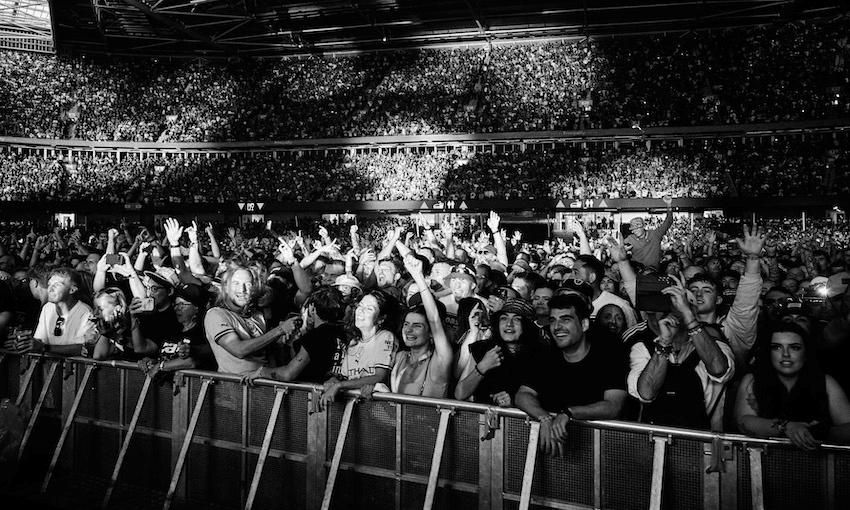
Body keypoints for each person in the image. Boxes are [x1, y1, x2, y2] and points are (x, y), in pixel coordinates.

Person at [515, 292, 627, 456]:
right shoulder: (545, 357)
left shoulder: (608, 358)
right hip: (553, 455)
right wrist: (544, 418)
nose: (557, 326)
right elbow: (522, 395)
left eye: (565, 319)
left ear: (584, 325)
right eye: (553, 320)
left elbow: (613, 405)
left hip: (599, 454)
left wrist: (568, 413)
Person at [627, 275, 735, 430]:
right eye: (673, 305)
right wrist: (665, 341)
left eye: (685, 305)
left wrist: (689, 318)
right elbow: (646, 393)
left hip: (703, 443)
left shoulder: (715, 344)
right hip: (655, 441)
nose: (678, 310)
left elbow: (718, 369)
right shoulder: (643, 347)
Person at [735, 323, 850, 450]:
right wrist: (786, 427)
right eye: (776, 347)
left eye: (794, 347)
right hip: (765, 462)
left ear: (806, 351)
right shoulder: (752, 380)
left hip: (819, 464)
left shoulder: (825, 382)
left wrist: (818, 432)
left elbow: (847, 426)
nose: (785, 354)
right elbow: (743, 420)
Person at [205, 263, 299, 375]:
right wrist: (280, 330)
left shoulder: (258, 316)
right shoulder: (216, 314)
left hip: (262, 384)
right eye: (236, 283)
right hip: (235, 387)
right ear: (226, 287)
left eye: (248, 284)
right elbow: (239, 350)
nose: (242, 289)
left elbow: (268, 355)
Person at [242, 286, 347, 384]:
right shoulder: (343, 335)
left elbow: (288, 374)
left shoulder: (315, 336)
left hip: (311, 397)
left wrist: (261, 372)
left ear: (313, 308)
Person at [318, 290, 399, 408]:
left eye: (369, 309)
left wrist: (339, 385)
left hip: (381, 408)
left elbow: (379, 376)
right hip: (357, 408)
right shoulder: (353, 342)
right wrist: (334, 379)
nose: (361, 311)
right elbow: (345, 376)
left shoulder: (385, 336)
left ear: (381, 318)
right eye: (360, 306)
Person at [455, 299, 541, 407]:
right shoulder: (483, 348)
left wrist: (515, 402)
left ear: (527, 325)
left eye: (517, 319)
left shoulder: (540, 355)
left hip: (521, 422)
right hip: (482, 420)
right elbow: (460, 394)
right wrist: (483, 366)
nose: (509, 324)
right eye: (504, 318)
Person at [390, 254, 453, 397]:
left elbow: (434, 319)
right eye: (407, 324)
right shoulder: (400, 357)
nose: (409, 330)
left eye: (418, 326)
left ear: (431, 333)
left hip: (429, 419)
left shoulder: (440, 360)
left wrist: (418, 277)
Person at [17, 267, 95, 356]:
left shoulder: (85, 312)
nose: (50, 289)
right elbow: (40, 340)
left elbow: (83, 348)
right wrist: (26, 343)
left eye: (57, 285)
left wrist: (45, 347)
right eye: (49, 284)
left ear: (72, 290)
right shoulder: (48, 308)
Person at [623, 195, 674, 270]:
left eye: (637, 228)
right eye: (633, 229)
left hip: (654, 271)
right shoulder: (630, 238)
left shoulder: (655, 234)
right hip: (638, 272)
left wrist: (668, 205)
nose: (635, 231)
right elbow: (619, 247)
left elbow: (669, 221)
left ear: (643, 226)